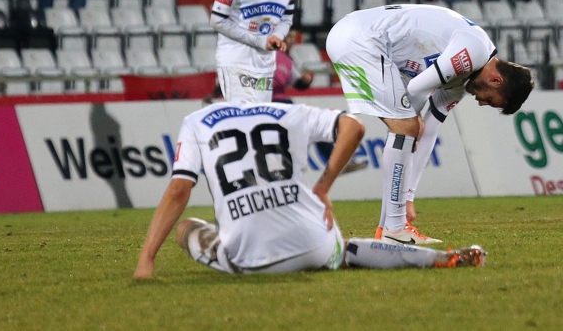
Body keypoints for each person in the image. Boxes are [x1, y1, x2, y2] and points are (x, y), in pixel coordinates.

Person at [133, 100, 487, 278]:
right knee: (346, 249)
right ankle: (435, 259)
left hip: (251, 260)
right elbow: (353, 127)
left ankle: (218, 242)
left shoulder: (196, 122)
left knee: (188, 229)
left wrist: (146, 260)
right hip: (316, 246)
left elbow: (179, 190)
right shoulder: (287, 111)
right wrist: (322, 186)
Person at [326, 4, 533, 244]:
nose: (482, 103)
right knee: (406, 128)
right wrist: (412, 124)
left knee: (406, 131)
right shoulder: (473, 53)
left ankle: (388, 229)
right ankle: (395, 229)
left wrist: (410, 195)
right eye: (493, 101)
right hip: (359, 38)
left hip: (362, 40)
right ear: (496, 80)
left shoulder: (461, 81)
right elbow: (415, 88)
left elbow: (431, 130)